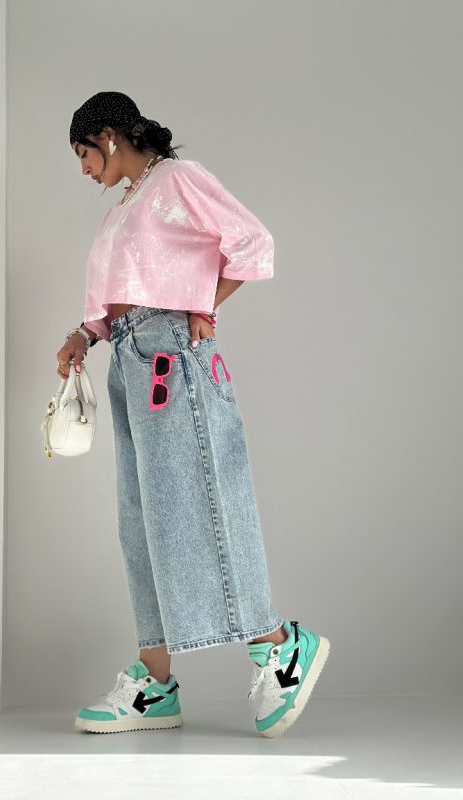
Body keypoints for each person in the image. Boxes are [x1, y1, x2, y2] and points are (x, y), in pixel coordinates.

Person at [58, 92, 330, 737]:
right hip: (129, 359)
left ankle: (280, 646)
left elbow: (253, 241)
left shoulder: (177, 179)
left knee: (201, 504)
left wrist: (204, 304)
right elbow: (125, 293)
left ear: (108, 135)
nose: (84, 169)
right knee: (142, 522)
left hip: (170, 357)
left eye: (83, 154)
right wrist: (84, 335)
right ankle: (155, 685)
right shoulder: (127, 204)